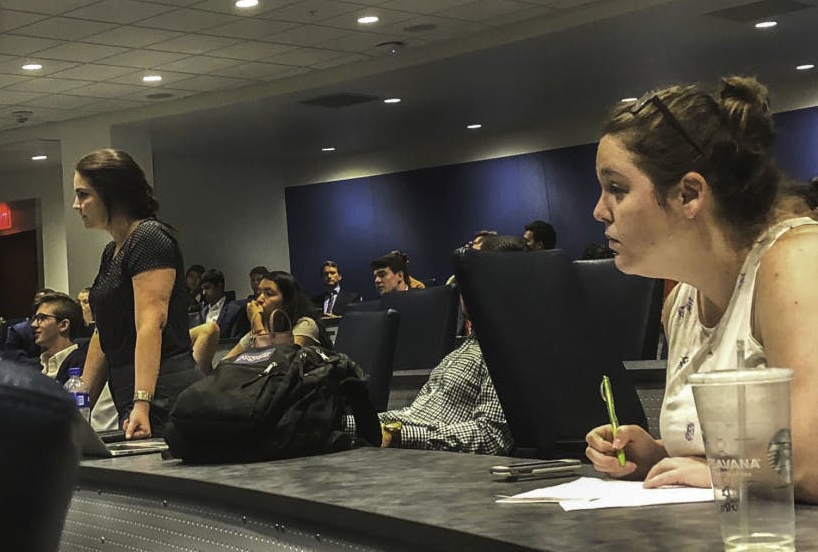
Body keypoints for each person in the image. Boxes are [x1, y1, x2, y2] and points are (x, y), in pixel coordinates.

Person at [584, 77, 818, 502]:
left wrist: (720, 472)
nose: (600, 210)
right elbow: (715, 462)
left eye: (616, 189)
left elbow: (811, 463)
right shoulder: (680, 303)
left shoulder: (798, 262)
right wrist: (654, 455)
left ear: (689, 193)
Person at [347, 234, 526, 453]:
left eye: (471, 275)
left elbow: (491, 437)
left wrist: (398, 436)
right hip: (406, 447)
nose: (462, 286)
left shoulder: (507, 351)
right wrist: (342, 422)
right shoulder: (465, 349)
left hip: (428, 459)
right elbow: (411, 416)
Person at [73, 148, 201, 439]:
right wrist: (80, 405)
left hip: (162, 390)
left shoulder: (149, 237)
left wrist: (142, 402)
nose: (76, 204)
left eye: (83, 195)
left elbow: (150, 323)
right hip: (131, 389)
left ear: (112, 194)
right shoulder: (111, 251)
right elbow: (105, 331)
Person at [31, 292, 117, 432]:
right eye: (35, 318)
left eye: (42, 318)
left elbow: (99, 424)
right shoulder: (36, 367)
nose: (34, 324)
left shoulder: (87, 367)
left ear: (63, 325)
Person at [222, 270, 330, 362]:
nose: (259, 299)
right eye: (259, 293)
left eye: (269, 294)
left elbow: (277, 362)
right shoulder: (261, 330)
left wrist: (257, 325)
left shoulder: (306, 324)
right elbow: (225, 361)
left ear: (287, 301)